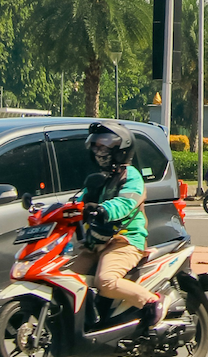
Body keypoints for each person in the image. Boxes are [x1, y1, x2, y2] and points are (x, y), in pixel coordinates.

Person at [70, 122, 168, 326]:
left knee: (105, 281)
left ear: (120, 149)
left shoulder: (130, 176)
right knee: (66, 279)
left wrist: (103, 209)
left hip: (124, 241)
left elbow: (126, 202)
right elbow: (78, 203)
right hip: (95, 242)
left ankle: (151, 302)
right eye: (95, 145)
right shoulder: (96, 179)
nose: (99, 150)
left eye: (104, 145)